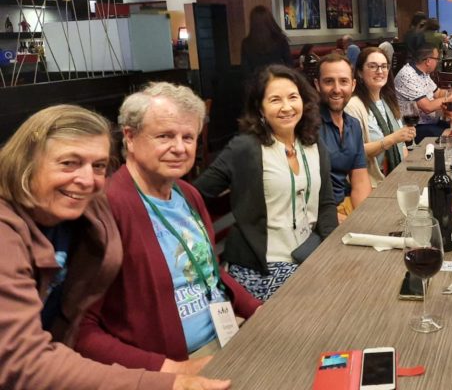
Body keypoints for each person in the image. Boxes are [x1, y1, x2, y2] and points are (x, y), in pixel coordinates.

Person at [0, 105, 228, 390]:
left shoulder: (86, 211)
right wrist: (168, 381)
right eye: (69, 163)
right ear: (26, 163)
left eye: (98, 166)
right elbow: (23, 361)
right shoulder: (7, 233)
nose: (87, 180)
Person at [76, 83, 260, 372]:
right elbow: (81, 329)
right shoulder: (105, 208)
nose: (179, 148)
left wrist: (256, 309)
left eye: (188, 137)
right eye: (165, 136)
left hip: (225, 337)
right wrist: (172, 370)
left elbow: (208, 271)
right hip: (168, 366)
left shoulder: (188, 193)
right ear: (130, 137)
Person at [194, 65, 338, 301]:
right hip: (262, 266)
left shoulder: (312, 143)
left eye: (293, 97)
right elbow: (194, 194)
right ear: (260, 108)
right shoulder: (246, 148)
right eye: (275, 100)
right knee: (325, 298)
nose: (286, 107)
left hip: (307, 252)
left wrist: (333, 250)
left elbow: (326, 203)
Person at [345, 47, 416, 188]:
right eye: (373, 66)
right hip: (372, 184)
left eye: (384, 66)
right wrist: (392, 139)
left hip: (397, 177)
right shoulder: (353, 106)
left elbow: (402, 147)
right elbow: (353, 151)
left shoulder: (388, 101)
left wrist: (408, 175)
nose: (380, 71)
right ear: (359, 72)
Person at [314, 54, 371, 219]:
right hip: (319, 214)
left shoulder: (353, 125)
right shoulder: (308, 125)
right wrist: (334, 220)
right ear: (317, 85)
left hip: (345, 206)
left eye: (343, 81)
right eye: (329, 81)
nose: (337, 89)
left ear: (353, 85)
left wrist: (362, 219)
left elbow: (360, 181)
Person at [394, 43, 452, 142]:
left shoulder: (423, 73)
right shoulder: (408, 75)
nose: (438, 62)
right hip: (413, 127)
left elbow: (438, 93)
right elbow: (428, 107)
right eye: (437, 59)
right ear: (428, 61)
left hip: (430, 122)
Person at [241, 5, 292, 79]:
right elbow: (289, 64)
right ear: (270, 21)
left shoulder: (246, 43)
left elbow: (246, 71)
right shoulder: (280, 40)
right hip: (278, 79)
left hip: (257, 82)